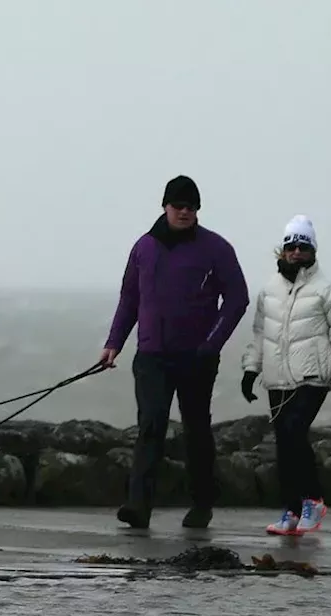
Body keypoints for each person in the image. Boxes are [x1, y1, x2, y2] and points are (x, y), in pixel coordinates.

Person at [100, 175, 250, 529]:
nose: (184, 212)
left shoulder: (216, 249)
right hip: (152, 355)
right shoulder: (144, 247)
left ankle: (201, 504)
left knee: (196, 430)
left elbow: (237, 299)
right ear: (165, 206)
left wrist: (211, 344)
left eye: (191, 207)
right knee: (150, 425)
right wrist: (114, 343)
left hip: (197, 356)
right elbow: (130, 299)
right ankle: (138, 506)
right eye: (178, 206)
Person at [241, 215, 331, 536]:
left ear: (313, 251)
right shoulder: (269, 290)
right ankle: (291, 511)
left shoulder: (330, 288)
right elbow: (259, 334)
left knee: (295, 431)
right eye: (291, 246)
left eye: (303, 246)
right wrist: (250, 369)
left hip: (313, 375)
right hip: (277, 377)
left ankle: (314, 500)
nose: (296, 252)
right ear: (283, 249)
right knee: (283, 443)